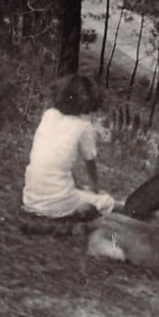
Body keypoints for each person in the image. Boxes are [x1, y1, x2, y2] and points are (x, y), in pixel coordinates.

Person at [22, 73, 117, 220]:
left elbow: (57, 157)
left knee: (76, 190)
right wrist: (95, 189)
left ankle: (62, 201)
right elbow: (90, 164)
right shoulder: (83, 126)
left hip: (30, 198)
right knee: (107, 201)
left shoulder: (49, 114)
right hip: (58, 205)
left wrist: (75, 184)